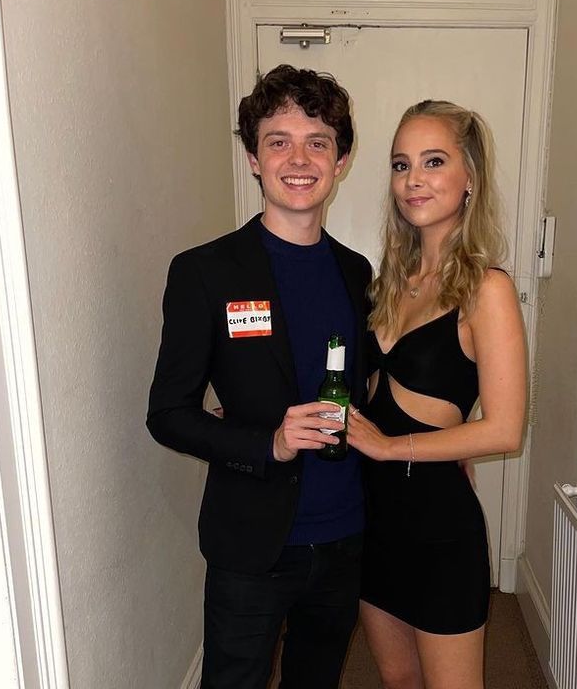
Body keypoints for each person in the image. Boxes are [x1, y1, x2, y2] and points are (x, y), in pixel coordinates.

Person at [146, 64, 372, 689]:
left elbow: (370, 385)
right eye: (278, 141)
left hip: (345, 532)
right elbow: (168, 413)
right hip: (252, 542)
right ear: (253, 157)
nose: (298, 158)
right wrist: (266, 442)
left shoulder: (357, 273)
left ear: (341, 159)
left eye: (317, 141)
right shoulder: (205, 273)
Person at [346, 100, 527, 689]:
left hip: (438, 528)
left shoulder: (487, 289)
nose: (413, 179)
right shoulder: (390, 282)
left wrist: (389, 447)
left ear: (469, 176)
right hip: (374, 519)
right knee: (398, 680)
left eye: (433, 161)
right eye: (401, 165)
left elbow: (505, 429)